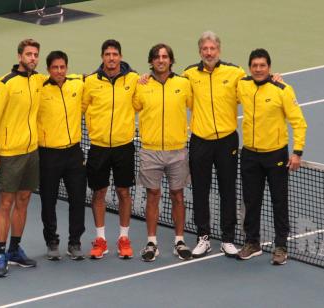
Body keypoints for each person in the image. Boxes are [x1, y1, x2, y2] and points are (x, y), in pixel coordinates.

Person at [236, 48, 307, 265]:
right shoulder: (242, 85)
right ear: (250, 68)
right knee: (251, 201)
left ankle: (281, 247)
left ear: (269, 67)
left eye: (262, 66)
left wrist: (297, 152)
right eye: (255, 66)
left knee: (279, 202)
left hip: (275, 155)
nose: (258, 69)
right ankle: (252, 242)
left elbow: (299, 122)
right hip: (249, 155)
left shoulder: (283, 89)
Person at [0, 39, 42, 277]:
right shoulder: (4, 84)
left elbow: (68, 79)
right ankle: (0, 253)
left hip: (31, 152)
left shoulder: (38, 80)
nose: (33, 58)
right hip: (8, 154)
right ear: (20, 57)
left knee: (24, 200)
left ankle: (15, 250)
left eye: (36, 54)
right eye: (29, 54)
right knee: (6, 204)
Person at [182, 31, 245, 258]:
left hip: (227, 140)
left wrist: (273, 79)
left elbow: (254, 89)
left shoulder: (236, 73)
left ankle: (227, 239)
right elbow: (172, 90)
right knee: (200, 191)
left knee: (228, 190)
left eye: (213, 49)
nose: (209, 53)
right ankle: (203, 238)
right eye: (205, 49)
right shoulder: (188, 75)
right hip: (200, 141)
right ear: (200, 51)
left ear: (219, 50)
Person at [133, 43, 193, 262]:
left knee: (178, 195)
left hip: (177, 150)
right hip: (150, 150)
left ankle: (179, 241)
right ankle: (152, 242)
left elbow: (195, 105)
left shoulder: (184, 84)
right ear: (151, 61)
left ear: (171, 60)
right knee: (153, 195)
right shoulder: (141, 85)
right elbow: (132, 106)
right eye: (157, 57)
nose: (161, 60)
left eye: (165, 56)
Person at [82, 39, 139, 259]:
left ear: (121, 56)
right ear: (102, 57)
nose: (111, 58)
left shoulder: (133, 79)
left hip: (124, 146)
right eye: (107, 54)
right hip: (99, 147)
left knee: (124, 192)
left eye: (115, 54)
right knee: (99, 193)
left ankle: (124, 238)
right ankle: (101, 240)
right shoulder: (90, 82)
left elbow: (140, 101)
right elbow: (80, 107)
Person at [38, 51, 86, 261]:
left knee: (78, 199)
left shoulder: (77, 84)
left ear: (67, 67)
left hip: (73, 153)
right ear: (48, 69)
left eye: (62, 67)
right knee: (48, 201)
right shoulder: (38, 88)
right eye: (55, 67)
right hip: (48, 155)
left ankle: (75, 242)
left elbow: (98, 75)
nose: (59, 71)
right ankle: (52, 241)